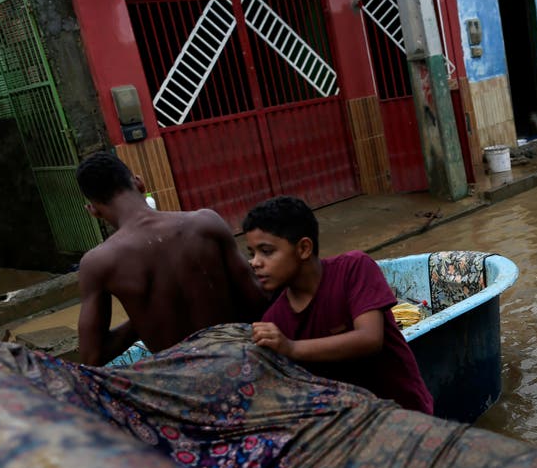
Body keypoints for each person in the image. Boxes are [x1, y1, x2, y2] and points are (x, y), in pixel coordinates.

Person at [242, 195, 434, 415]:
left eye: (266, 252)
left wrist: (291, 348)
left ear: (304, 248)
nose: (254, 262)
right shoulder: (274, 320)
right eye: (252, 253)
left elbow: (369, 339)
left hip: (405, 412)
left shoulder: (354, 269)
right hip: (348, 427)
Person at [74, 152, 266, 366]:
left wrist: (146, 317)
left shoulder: (98, 262)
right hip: (241, 362)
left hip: (180, 384)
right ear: (139, 182)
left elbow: (92, 357)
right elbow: (258, 301)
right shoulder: (206, 223)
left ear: (93, 210)